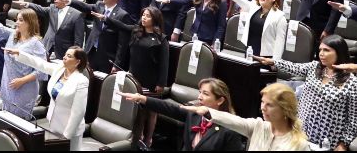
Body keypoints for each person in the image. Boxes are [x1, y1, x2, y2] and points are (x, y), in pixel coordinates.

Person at [254, 35, 357, 149]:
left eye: (326, 50)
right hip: (301, 131)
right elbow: (293, 67)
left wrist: (343, 143)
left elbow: (353, 119)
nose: (321, 53)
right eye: (320, 50)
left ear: (339, 52)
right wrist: (272, 62)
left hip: (328, 138)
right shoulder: (314, 67)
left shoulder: (351, 82)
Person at [121, 78, 245, 151]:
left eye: (205, 94)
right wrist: (141, 98)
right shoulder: (194, 114)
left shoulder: (230, 129)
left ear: (220, 100)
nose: (199, 97)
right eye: (200, 92)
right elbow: (169, 108)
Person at [4, 45, 89, 151]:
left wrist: (67, 136)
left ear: (77, 62)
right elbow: (40, 64)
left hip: (70, 130)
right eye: (65, 54)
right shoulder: (59, 70)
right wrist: (20, 54)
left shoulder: (81, 81)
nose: (64, 57)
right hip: (54, 124)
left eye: (69, 56)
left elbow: (78, 112)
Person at [106, 6, 169, 148]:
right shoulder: (136, 31)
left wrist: (161, 83)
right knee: (137, 110)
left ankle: (149, 139)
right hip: (135, 76)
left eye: (147, 16)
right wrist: (105, 18)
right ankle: (137, 137)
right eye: (143, 15)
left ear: (155, 19)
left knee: (151, 111)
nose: (144, 18)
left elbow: (165, 64)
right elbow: (121, 25)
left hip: (151, 80)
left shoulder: (161, 39)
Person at [181, 83, 310, 150]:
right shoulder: (258, 126)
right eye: (262, 102)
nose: (262, 108)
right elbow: (233, 120)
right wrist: (206, 110)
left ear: (285, 109)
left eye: (269, 105)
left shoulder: (299, 145)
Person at [64, 0, 133, 73]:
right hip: (91, 52)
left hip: (107, 57)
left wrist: (117, 64)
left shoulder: (122, 15)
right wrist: (70, 1)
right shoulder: (99, 5)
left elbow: (122, 43)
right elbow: (85, 6)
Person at [216, 0, 287, 59]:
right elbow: (241, 0)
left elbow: (280, 41)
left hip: (267, 56)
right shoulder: (254, 7)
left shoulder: (280, 17)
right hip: (250, 51)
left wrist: (275, 61)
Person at [159, 0, 227, 44]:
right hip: (195, 34)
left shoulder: (221, 2)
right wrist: (169, 0)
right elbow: (185, 0)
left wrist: (215, 42)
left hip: (209, 37)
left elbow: (221, 26)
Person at [16, 0, 84, 60]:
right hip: (47, 46)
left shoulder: (77, 15)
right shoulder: (52, 8)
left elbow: (78, 39)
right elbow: (40, 9)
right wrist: (28, 4)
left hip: (63, 51)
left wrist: (75, 55)